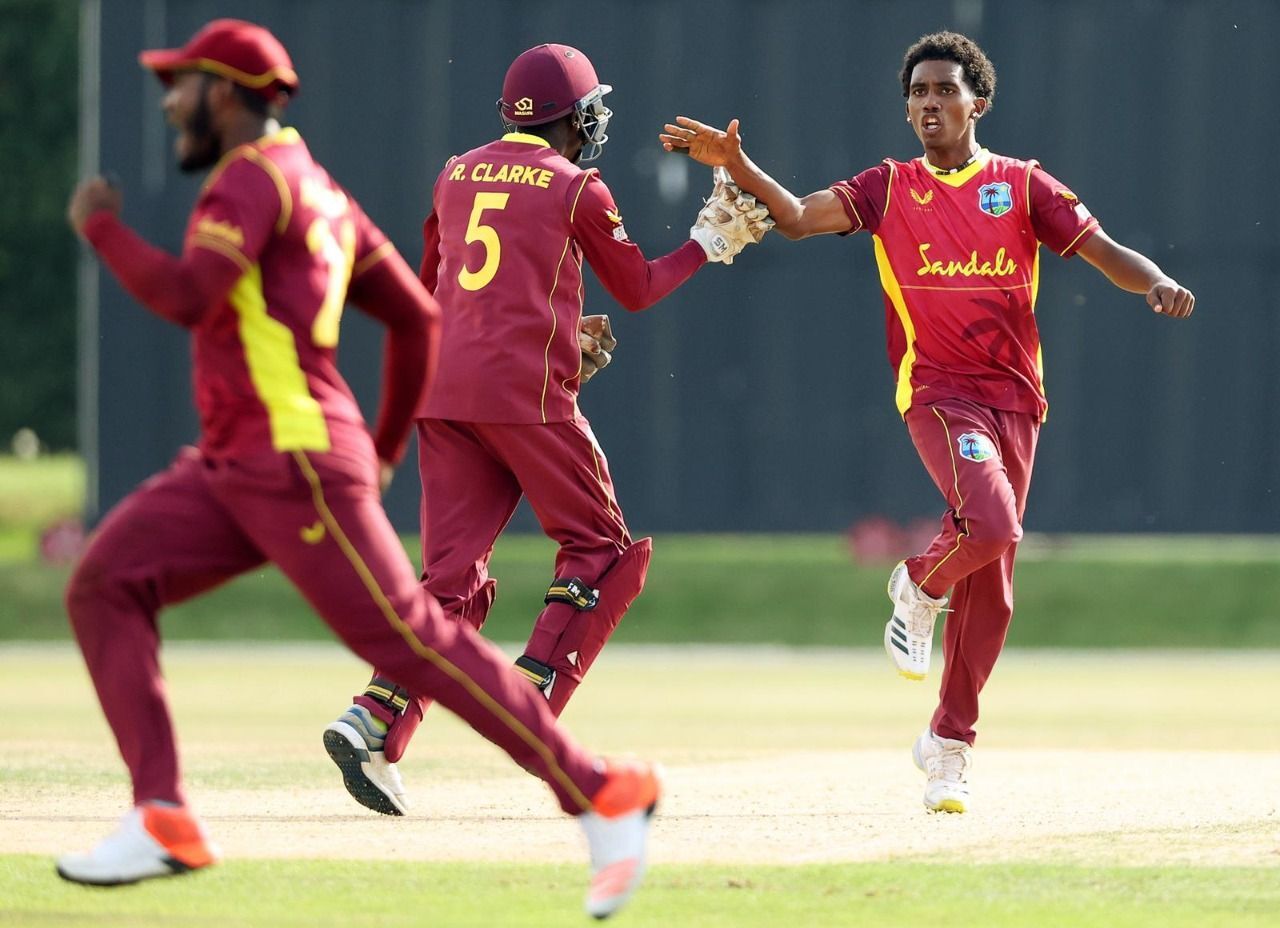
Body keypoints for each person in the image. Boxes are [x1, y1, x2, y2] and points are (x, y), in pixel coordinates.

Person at [59, 19, 659, 918]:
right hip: (237, 462)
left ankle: (601, 793)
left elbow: (190, 296)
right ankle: (161, 815)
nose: (169, 102)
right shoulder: (317, 187)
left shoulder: (252, 182)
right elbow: (420, 318)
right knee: (103, 584)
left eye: (180, 86)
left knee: (415, 636)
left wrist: (100, 228)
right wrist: (377, 453)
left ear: (226, 95)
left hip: (291, 460)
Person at [660, 31, 1194, 814]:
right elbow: (801, 220)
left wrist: (1157, 281)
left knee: (996, 587)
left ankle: (947, 748)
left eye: (945, 91)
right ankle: (914, 583)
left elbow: (1104, 250)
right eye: (918, 94)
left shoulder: (1019, 184)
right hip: (939, 392)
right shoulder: (889, 186)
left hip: (1017, 399)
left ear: (978, 101)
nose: (930, 105)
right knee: (992, 523)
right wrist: (736, 167)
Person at [322, 43, 767, 816]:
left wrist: (557, 331)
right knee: (602, 549)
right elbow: (636, 289)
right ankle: (529, 709)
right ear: (579, 118)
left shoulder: (457, 170)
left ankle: (371, 719)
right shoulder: (576, 187)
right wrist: (709, 244)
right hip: (524, 399)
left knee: (448, 581)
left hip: (445, 392)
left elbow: (441, 288)